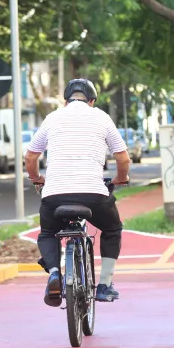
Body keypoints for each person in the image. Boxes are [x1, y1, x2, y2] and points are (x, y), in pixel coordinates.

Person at [24, 78, 131, 306]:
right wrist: (120, 179)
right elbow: (122, 157)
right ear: (92, 101)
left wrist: (36, 179)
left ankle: (54, 273)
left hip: (54, 194)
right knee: (112, 229)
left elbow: (31, 156)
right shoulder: (101, 117)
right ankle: (104, 284)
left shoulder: (52, 118)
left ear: (66, 100)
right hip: (93, 194)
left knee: (47, 233)